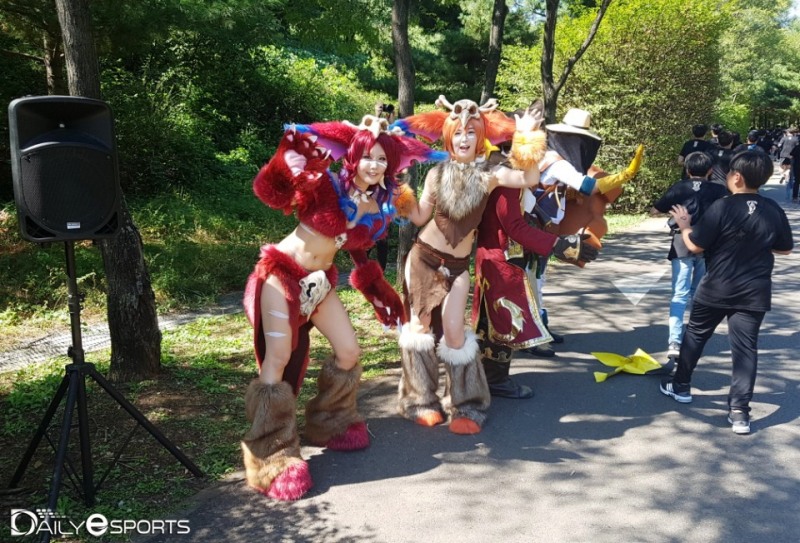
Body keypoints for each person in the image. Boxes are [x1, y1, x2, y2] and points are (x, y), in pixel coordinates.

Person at [241, 115, 444, 500]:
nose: (375, 164)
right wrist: (287, 155)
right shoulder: (325, 184)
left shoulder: (376, 202)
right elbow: (272, 192)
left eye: (383, 159)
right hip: (282, 273)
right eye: (368, 155)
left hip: (318, 284)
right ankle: (270, 454)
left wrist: (377, 289)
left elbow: (356, 249)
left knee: (349, 352)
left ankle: (331, 421)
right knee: (278, 358)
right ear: (353, 156)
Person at [390, 95, 546, 434]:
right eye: (457, 132)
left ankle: (466, 405)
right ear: (449, 137)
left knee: (455, 331)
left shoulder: (491, 173)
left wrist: (528, 136)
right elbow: (418, 217)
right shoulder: (435, 173)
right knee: (419, 328)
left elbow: (530, 178)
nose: (463, 138)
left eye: (470, 133)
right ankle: (419, 401)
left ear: (480, 138)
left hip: (457, 266)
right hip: (423, 258)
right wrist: (398, 192)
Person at [660, 150, 794, 434]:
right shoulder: (773, 209)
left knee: (696, 334)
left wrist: (684, 227)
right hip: (754, 290)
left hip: (718, 286)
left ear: (736, 176)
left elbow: (696, 246)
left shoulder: (721, 207)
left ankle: (681, 385)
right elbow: (784, 248)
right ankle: (739, 412)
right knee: (746, 349)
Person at [526, 108, 643, 355]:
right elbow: (589, 186)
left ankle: (540, 328)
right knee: (533, 281)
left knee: (537, 279)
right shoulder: (557, 163)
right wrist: (624, 175)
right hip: (535, 227)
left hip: (542, 226)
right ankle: (534, 337)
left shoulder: (549, 157)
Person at [473, 182, 598, 399]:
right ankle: (495, 380)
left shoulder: (515, 180)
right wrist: (560, 245)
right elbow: (513, 226)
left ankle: (487, 376)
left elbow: (525, 220)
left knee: (496, 319)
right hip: (500, 261)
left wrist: (558, 242)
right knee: (504, 320)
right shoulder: (508, 183)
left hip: (503, 258)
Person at [649, 151, 728, 358]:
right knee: (699, 293)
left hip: (681, 245)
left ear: (687, 169)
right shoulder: (719, 191)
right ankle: (694, 338)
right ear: (710, 170)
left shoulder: (679, 187)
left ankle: (674, 342)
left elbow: (655, 211)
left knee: (679, 293)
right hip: (707, 246)